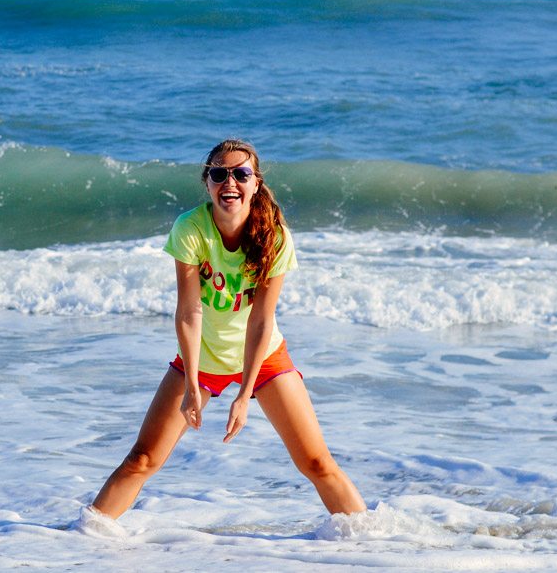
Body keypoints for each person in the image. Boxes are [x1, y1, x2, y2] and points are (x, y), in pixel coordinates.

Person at [90, 138, 366, 521]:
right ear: (207, 183)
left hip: (263, 355)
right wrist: (191, 387)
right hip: (201, 356)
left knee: (317, 462)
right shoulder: (190, 228)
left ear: (256, 183)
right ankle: (85, 538)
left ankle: (373, 541)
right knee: (142, 458)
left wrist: (245, 393)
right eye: (219, 174)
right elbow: (189, 313)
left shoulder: (275, 237)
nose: (229, 182)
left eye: (241, 174)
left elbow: (261, 320)